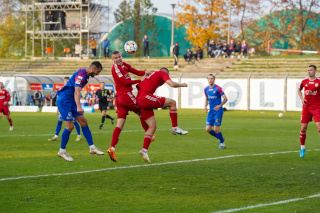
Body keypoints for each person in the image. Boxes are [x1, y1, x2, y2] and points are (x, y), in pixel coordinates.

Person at [106, 50, 151, 163]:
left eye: (119, 57)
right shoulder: (115, 69)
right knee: (141, 112)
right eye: (116, 58)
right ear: (113, 60)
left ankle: (112, 148)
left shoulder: (125, 65)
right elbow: (125, 82)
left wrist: (146, 73)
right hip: (126, 96)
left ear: (121, 56)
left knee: (119, 124)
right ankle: (149, 132)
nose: (118, 59)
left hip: (120, 100)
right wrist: (139, 81)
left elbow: (136, 71)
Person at [136, 67, 189, 163]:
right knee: (172, 103)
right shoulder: (161, 73)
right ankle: (175, 128)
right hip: (145, 97)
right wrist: (182, 85)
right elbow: (172, 84)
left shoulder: (152, 73)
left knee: (152, 127)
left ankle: (144, 150)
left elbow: (140, 83)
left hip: (140, 98)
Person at [56, 61, 104, 162]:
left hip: (71, 99)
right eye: (98, 71)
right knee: (70, 126)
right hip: (64, 100)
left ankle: (92, 147)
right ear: (93, 69)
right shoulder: (81, 75)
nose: (98, 74)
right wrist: (79, 106)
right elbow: (77, 90)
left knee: (83, 122)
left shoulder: (85, 76)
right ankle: (62, 151)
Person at [48, 77, 82, 142]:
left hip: (71, 108)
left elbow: (76, 97)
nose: (66, 82)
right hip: (63, 108)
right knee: (59, 121)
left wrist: (77, 106)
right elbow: (59, 99)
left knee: (74, 122)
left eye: (67, 80)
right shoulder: (61, 89)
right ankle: (56, 136)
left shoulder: (72, 88)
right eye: (65, 81)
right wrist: (58, 109)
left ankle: (79, 135)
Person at [297, 65, 320, 158]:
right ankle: (302, 148)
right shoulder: (304, 81)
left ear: (315, 71)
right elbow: (299, 89)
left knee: (319, 126)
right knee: (303, 127)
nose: (309, 71)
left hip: (317, 107)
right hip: (306, 107)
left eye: (311, 70)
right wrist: (302, 98)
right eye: (308, 70)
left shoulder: (318, 81)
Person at [204, 74, 228, 149]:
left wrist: (220, 105)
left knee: (216, 129)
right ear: (207, 79)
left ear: (214, 79)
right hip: (211, 111)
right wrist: (205, 107)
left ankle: (222, 143)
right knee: (208, 129)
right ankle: (220, 138)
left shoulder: (218, 88)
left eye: (212, 78)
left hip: (218, 111)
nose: (210, 80)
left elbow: (225, 98)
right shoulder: (206, 89)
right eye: (209, 78)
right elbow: (207, 99)